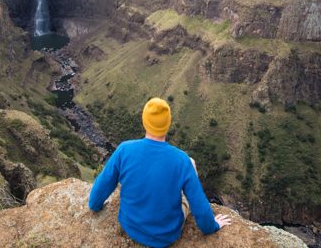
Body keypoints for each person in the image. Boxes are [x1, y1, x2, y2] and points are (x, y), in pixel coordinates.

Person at [88, 97, 232, 247]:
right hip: (167, 235)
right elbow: (200, 207)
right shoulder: (182, 160)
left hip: (130, 226)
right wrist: (212, 226)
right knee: (191, 165)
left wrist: (95, 205)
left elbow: (101, 187)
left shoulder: (124, 150)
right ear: (168, 124)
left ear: (144, 122)